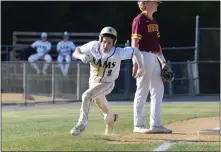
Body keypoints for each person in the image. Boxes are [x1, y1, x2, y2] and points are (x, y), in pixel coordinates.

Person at [70, 26, 145, 136]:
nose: (106, 45)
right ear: (100, 39)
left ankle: (81, 123)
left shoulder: (118, 52)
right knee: (103, 107)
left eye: (109, 43)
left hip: (107, 83)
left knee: (87, 95)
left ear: (114, 43)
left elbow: (136, 51)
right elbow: (76, 51)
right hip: (93, 83)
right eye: (104, 41)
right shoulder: (93, 46)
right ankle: (112, 119)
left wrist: (141, 67)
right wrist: (81, 56)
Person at [131, 0, 172, 133]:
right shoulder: (139, 20)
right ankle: (139, 125)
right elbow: (135, 42)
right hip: (142, 55)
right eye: (154, 2)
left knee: (158, 90)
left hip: (154, 57)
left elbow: (156, 43)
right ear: (146, 4)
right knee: (142, 90)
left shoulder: (154, 21)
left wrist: (163, 61)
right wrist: (135, 62)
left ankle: (156, 124)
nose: (157, 4)